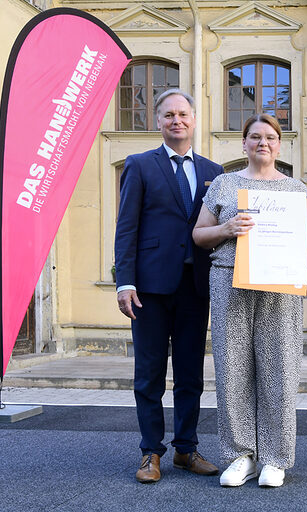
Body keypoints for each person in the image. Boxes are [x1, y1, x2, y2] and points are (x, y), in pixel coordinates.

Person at [192, 114, 307, 488]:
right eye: (254, 137)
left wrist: (296, 258)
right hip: (229, 279)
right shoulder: (224, 185)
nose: (262, 143)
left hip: (279, 286)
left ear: (280, 145)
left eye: (270, 137)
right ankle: (239, 455)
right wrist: (226, 229)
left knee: (280, 368)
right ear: (244, 143)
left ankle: (276, 458)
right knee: (232, 368)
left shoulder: (297, 190)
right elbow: (199, 235)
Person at [115, 89, 222, 483]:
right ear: (158, 121)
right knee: (149, 374)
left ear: (194, 120)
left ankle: (187, 450)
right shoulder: (140, 165)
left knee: (191, 374)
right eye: (168, 115)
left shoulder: (215, 172)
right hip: (149, 290)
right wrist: (124, 281)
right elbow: (126, 227)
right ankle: (150, 453)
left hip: (195, 288)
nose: (177, 121)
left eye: (183, 114)